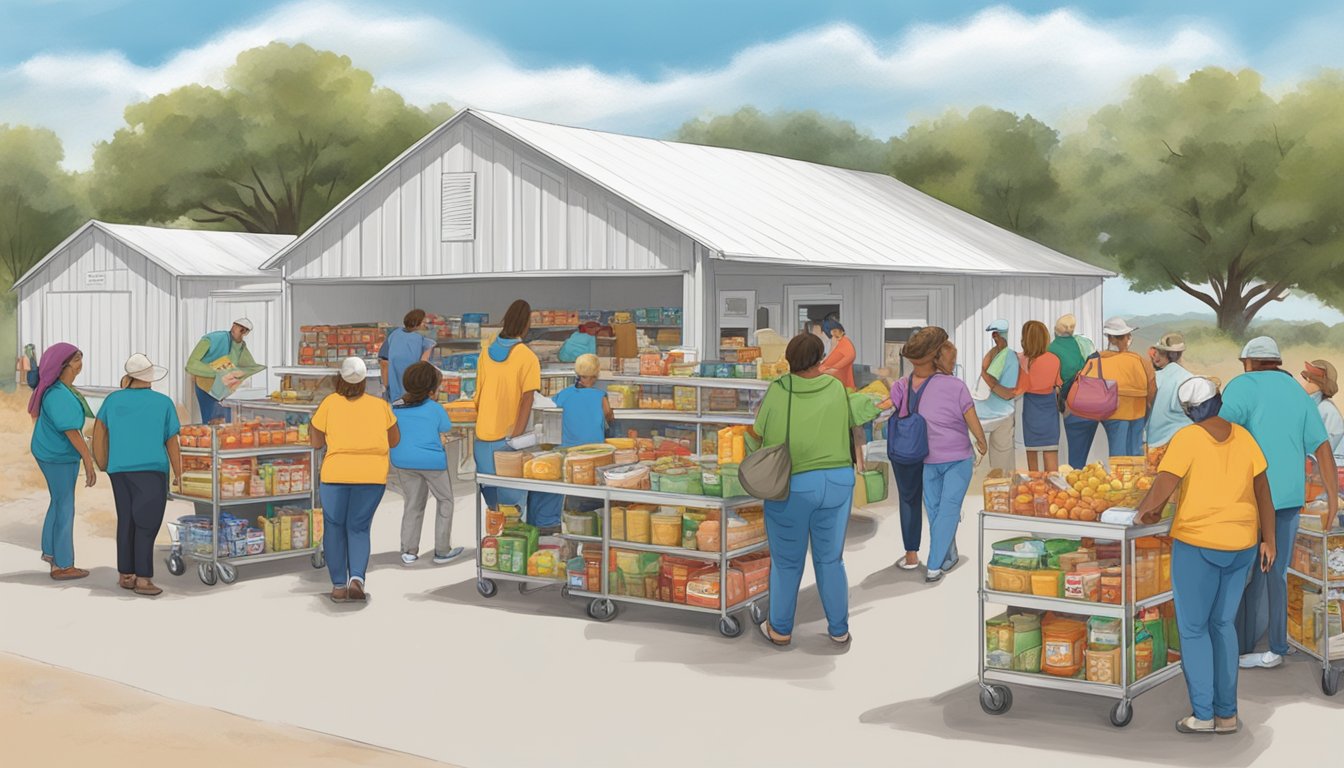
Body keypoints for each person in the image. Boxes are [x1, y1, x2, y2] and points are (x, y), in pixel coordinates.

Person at [1136, 377, 1275, 736]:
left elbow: (1161, 489)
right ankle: (1227, 715)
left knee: (1194, 629)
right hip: (1243, 544)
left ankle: (1202, 715)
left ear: (1188, 412)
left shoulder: (1187, 438)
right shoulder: (1244, 437)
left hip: (1198, 544)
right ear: (1219, 400)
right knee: (1222, 625)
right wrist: (1269, 539)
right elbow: (1263, 490)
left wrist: (1143, 514)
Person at [1224, 337, 1338, 669]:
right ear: (1276, 361)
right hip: (1287, 498)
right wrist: (1331, 500)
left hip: (1246, 497)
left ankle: (1234, 644)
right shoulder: (1297, 393)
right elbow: (1322, 448)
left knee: (1238, 571)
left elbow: (1217, 435)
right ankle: (1275, 646)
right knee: (1276, 572)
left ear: (1248, 361)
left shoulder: (1240, 386)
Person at [751, 333, 864, 647]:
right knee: (830, 560)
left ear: (789, 359)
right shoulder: (836, 388)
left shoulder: (778, 390)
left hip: (794, 485)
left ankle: (781, 629)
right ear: (819, 358)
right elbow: (853, 420)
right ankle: (839, 629)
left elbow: (761, 434)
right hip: (839, 482)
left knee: (787, 562)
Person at [310, 357, 400, 603]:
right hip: (371, 476)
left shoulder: (329, 404)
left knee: (335, 527)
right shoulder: (380, 406)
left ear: (340, 378)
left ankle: (339, 585)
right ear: (364, 382)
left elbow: (316, 442)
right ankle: (357, 579)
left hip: (335, 475)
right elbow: (394, 440)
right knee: (359, 527)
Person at [92, 354, 182, 596]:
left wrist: (103, 463)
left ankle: (126, 574)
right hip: (151, 470)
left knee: (127, 521)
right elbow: (172, 441)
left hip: (119, 470)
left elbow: (99, 432)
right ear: (150, 377)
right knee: (147, 523)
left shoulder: (112, 400)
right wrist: (179, 473)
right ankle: (143, 579)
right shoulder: (163, 403)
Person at [474, 300, 555, 529]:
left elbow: (478, 398)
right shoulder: (526, 357)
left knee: (494, 513)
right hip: (508, 443)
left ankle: (492, 552)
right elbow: (527, 400)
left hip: (482, 442)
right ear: (525, 324)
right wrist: (516, 439)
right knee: (514, 514)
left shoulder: (485, 354)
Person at [917, 332, 989, 583]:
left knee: (937, 511)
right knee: (948, 510)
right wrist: (981, 440)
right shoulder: (957, 385)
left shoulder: (918, 385)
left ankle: (949, 556)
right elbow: (971, 417)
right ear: (937, 359)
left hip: (927, 458)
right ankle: (934, 565)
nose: (953, 363)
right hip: (957, 457)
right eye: (951, 358)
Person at [27, 343, 96, 580]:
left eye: (80, 358)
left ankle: (51, 554)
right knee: (65, 505)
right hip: (56, 455)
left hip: (56, 452)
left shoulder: (64, 390)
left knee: (58, 502)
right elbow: (71, 431)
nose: (80, 364)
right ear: (63, 364)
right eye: (76, 359)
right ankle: (63, 565)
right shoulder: (57, 394)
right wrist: (88, 459)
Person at [390, 362, 460, 567]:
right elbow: (446, 426)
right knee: (445, 500)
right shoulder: (435, 408)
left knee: (413, 503)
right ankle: (442, 550)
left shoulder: (395, 406)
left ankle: (409, 551)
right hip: (432, 463)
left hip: (402, 461)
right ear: (432, 389)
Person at [1073, 317, 1155, 458]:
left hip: (1112, 414)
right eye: (1127, 335)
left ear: (1110, 339)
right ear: (1125, 338)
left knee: (1118, 456)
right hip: (1138, 414)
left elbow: (1085, 388)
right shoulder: (1141, 361)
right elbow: (1152, 391)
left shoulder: (1096, 359)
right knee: (1136, 454)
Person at [184, 318, 265, 424]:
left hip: (226, 391)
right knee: (212, 423)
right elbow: (191, 365)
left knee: (228, 426)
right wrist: (217, 373)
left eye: (244, 331)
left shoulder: (241, 346)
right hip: (207, 387)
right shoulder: (212, 339)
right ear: (233, 326)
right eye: (238, 328)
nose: (240, 333)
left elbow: (247, 365)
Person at [1051, 314, 1098, 468]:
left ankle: (1076, 485)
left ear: (1055, 330)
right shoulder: (1085, 343)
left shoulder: (1050, 349)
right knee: (1085, 452)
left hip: (1072, 404)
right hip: (1093, 404)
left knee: (1075, 456)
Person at [975, 320, 1019, 474]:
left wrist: (986, 376)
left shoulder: (1009, 357)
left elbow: (1007, 393)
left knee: (1001, 460)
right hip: (997, 412)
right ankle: (1002, 486)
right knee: (1001, 457)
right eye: (993, 336)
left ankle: (1004, 486)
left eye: (996, 335)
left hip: (999, 412)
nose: (994, 338)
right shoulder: (998, 354)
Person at [1019, 320, 1063, 472]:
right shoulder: (1054, 359)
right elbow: (1058, 385)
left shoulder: (1021, 359)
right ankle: (1053, 492)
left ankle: (1033, 491)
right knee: (1051, 453)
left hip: (1030, 408)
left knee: (1031, 452)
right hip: (1049, 409)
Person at [1147, 333, 1195, 456]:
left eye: (1158, 352)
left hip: (1155, 442)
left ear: (1168, 354)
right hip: (1185, 439)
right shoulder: (1189, 378)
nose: (1155, 356)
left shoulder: (1155, 378)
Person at [380, 309, 436, 404]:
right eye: (424, 322)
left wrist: (385, 388)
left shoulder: (393, 335)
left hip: (394, 394)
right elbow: (424, 363)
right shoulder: (426, 340)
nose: (426, 325)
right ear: (417, 322)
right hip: (416, 394)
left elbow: (384, 363)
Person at [1301, 359, 1344, 462]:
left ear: (1321, 384)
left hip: (1329, 467)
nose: (1306, 384)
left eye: (1310, 380)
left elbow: (1328, 444)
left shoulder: (1327, 410)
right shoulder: (1311, 406)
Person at [819, 319, 857, 391]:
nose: (821, 334)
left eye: (822, 332)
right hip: (829, 382)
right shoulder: (834, 342)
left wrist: (834, 368)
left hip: (841, 385)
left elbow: (851, 355)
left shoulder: (844, 341)